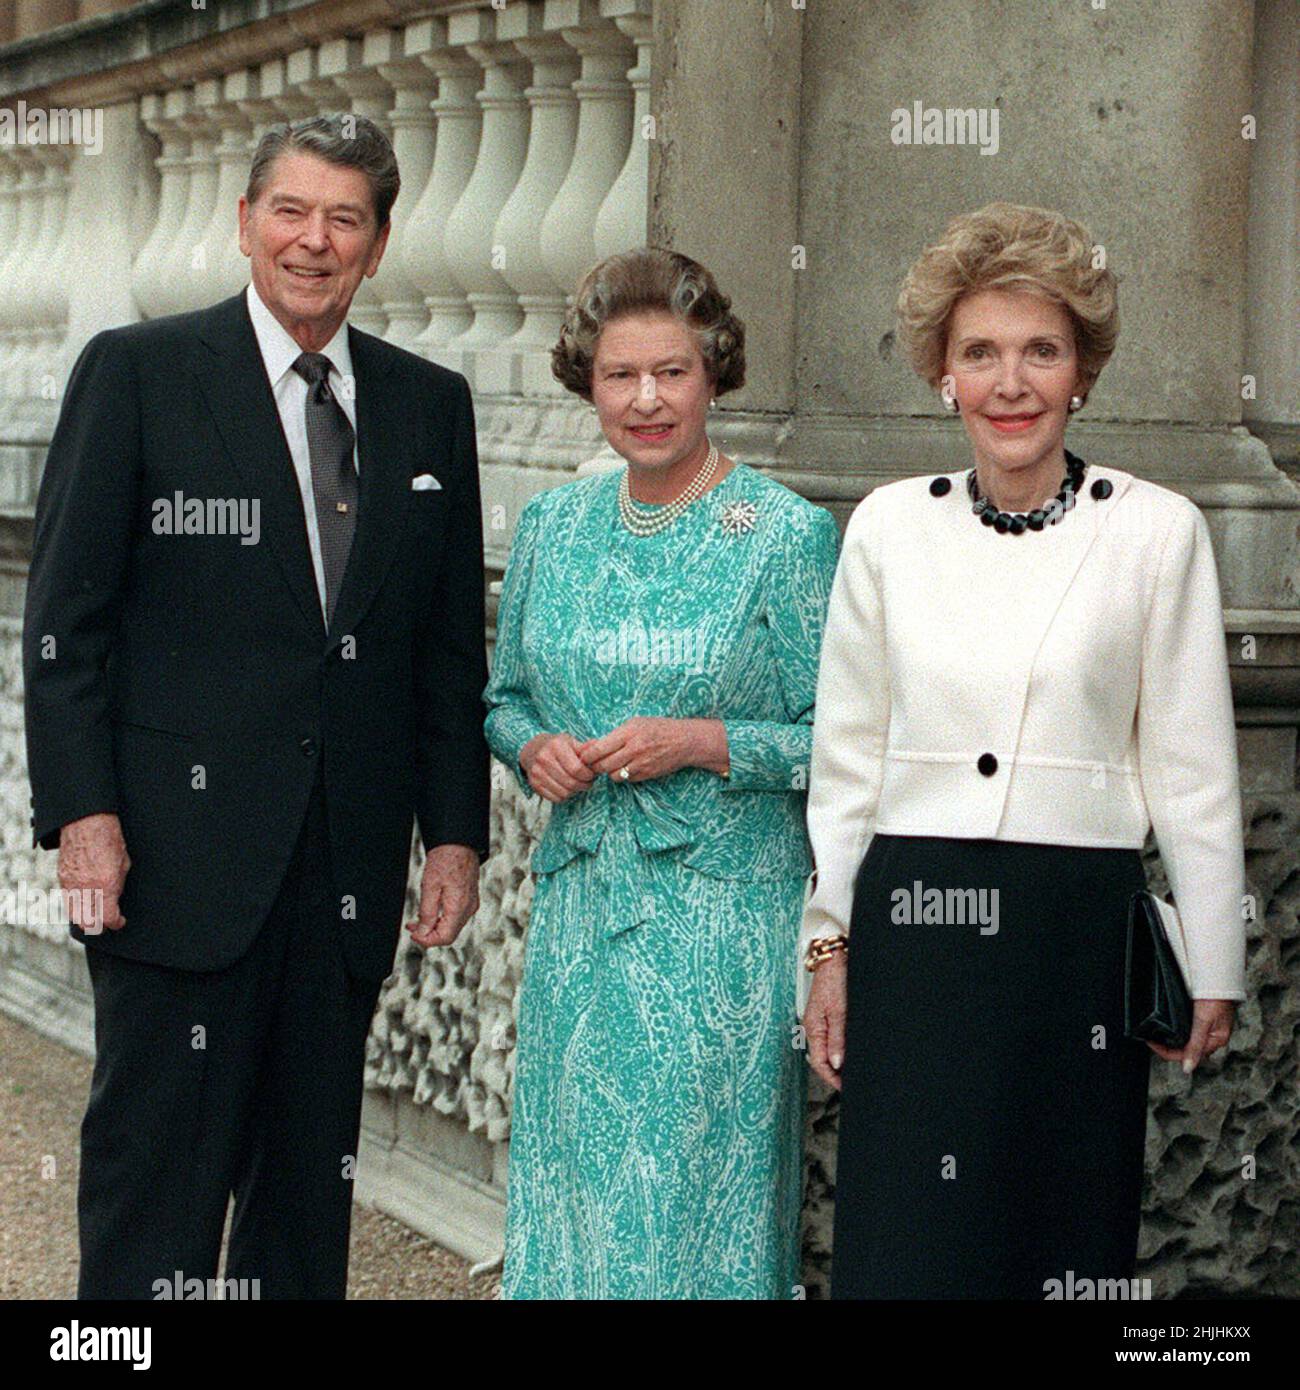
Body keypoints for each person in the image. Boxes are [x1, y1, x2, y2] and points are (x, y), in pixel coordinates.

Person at [22, 114, 490, 1299]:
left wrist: (454, 832)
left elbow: (440, 646)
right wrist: (85, 818)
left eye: (345, 219)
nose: (313, 241)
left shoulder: (429, 404)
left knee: (302, 1202)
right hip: (175, 864)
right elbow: (66, 622)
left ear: (378, 247)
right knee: (154, 1187)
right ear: (242, 222)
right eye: (290, 210)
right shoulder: (138, 373)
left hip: (341, 870)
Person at [800, 202, 1247, 1299]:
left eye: (1040, 351)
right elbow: (846, 756)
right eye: (980, 353)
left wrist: (1214, 963)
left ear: (1081, 370)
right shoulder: (888, 527)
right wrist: (826, 943)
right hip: (916, 930)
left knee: (1060, 1239)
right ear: (941, 374)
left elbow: (1191, 766)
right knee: (910, 1240)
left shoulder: (1155, 529)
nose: (1011, 382)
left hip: (1074, 933)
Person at [483, 248, 840, 1298]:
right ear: (586, 384)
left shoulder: (782, 533)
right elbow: (503, 698)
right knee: (572, 1178)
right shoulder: (553, 525)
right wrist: (529, 748)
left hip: (720, 926)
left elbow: (847, 741)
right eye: (619, 376)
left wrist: (704, 742)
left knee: (689, 1197)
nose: (646, 400)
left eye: (671, 372)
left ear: (715, 373)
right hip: (582, 908)